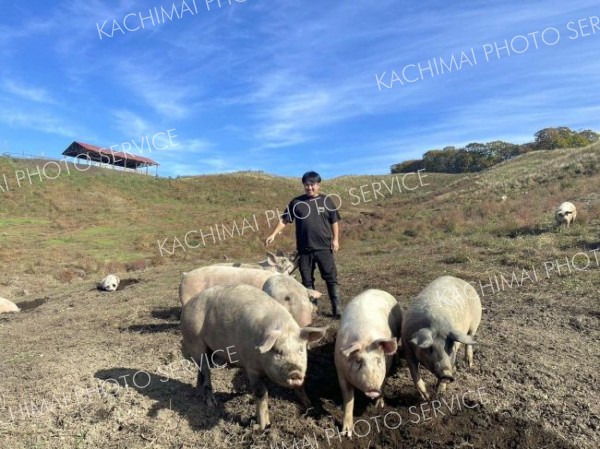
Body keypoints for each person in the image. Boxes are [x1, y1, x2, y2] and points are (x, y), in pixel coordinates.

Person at [265, 171, 342, 318]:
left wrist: (335, 239)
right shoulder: (296, 203)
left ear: (318, 185)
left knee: (331, 277)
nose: (310, 188)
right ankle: (312, 309)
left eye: (312, 184)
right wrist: (273, 234)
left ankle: (336, 309)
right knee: (307, 280)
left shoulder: (327, 201)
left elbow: (334, 221)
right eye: (306, 185)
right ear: (303, 185)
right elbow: (284, 220)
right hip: (304, 250)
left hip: (324, 247)